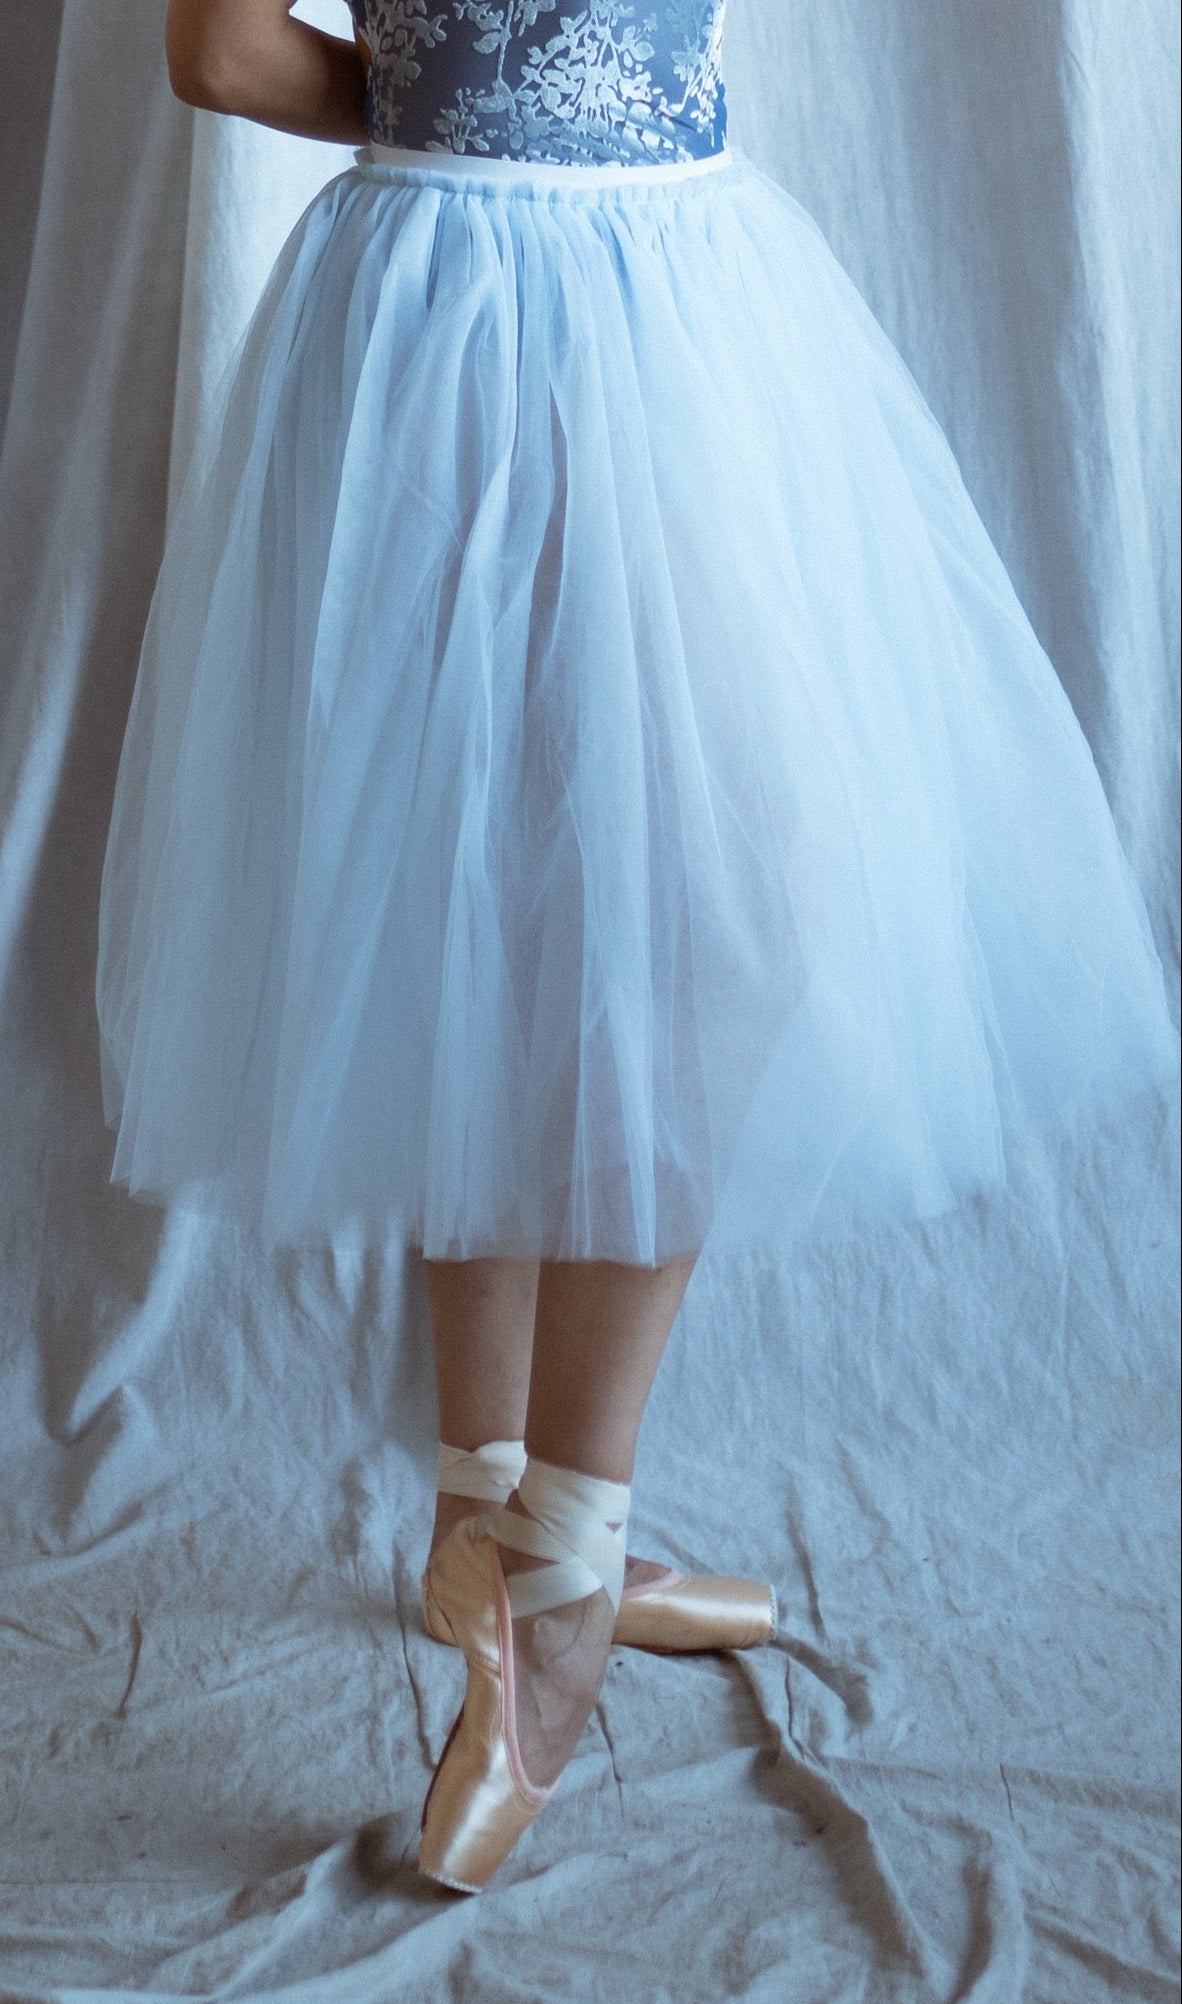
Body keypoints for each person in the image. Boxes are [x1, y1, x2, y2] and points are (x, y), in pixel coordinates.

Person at [95, 0, 1177, 1893]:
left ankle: (484, 1509)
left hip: (537, 290)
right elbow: (213, 48)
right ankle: (561, 1575)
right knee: (668, 921)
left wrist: (450, 105)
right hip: (576, 289)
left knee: (501, 903)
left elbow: (220, 47)